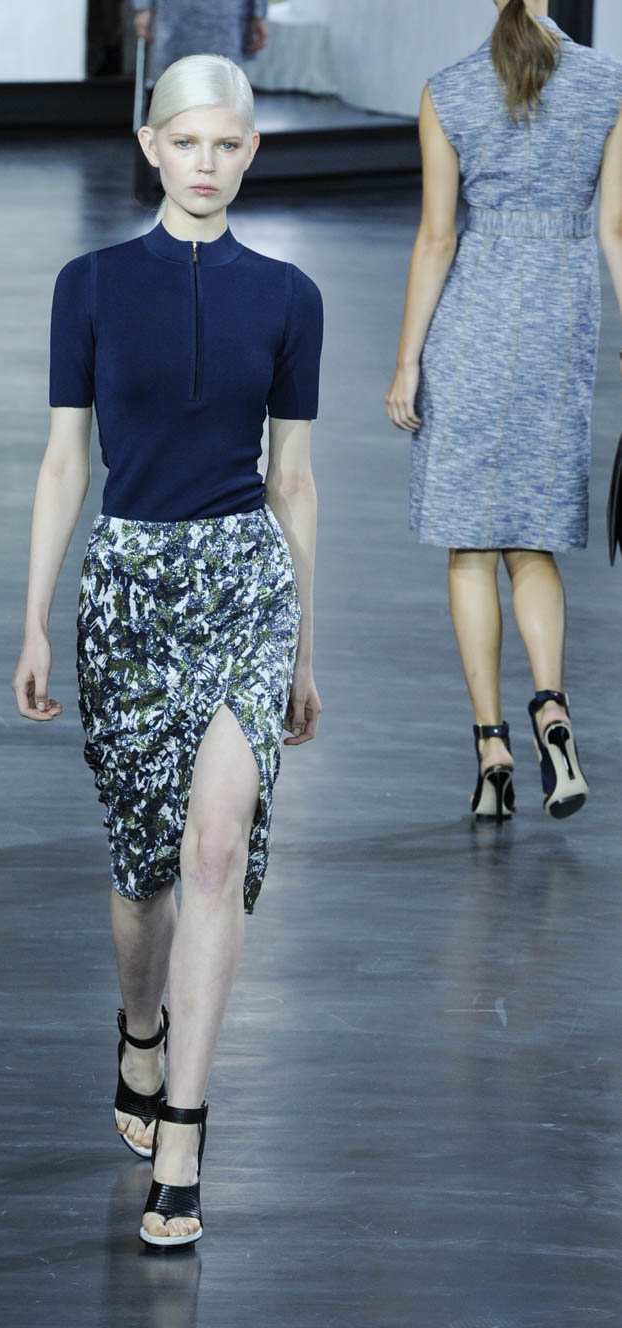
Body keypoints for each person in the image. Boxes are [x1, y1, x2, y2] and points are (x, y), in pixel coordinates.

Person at [12, 54, 322, 1247]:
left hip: (245, 583)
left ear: (251, 152)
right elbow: (64, 460)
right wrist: (34, 616)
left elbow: (294, 479)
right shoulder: (88, 285)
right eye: (185, 142)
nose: (206, 163)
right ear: (150, 146)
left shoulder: (289, 296)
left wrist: (303, 648)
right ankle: (138, 1026)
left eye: (226, 144)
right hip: (130, 591)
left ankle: (185, 1128)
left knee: (214, 849)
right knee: (144, 871)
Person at [386, 0, 622, 821]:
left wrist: (408, 361)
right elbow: (617, 229)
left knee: (471, 546)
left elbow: (437, 238)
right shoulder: (610, 83)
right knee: (533, 540)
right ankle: (551, 706)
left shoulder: (449, 90)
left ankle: (492, 747)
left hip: (472, 324)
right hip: (563, 322)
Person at [132, 1, 269, 79]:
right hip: (176, 15)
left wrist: (260, 13)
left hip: (227, 16)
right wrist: (142, 7)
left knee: (226, 82)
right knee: (176, 83)